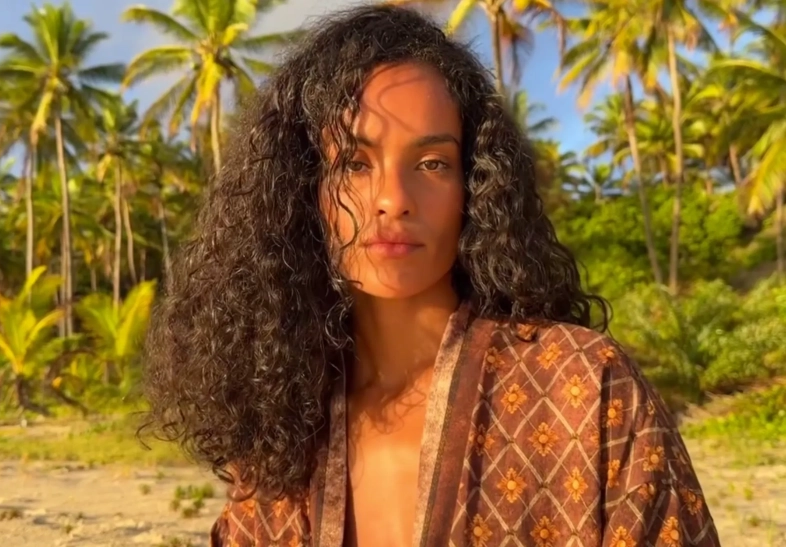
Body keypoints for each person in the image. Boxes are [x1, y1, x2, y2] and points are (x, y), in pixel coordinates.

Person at [141, 4, 720, 546]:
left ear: (475, 186)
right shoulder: (281, 427)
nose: (393, 199)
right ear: (302, 190)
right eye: (354, 163)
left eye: (432, 163)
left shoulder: (584, 387)